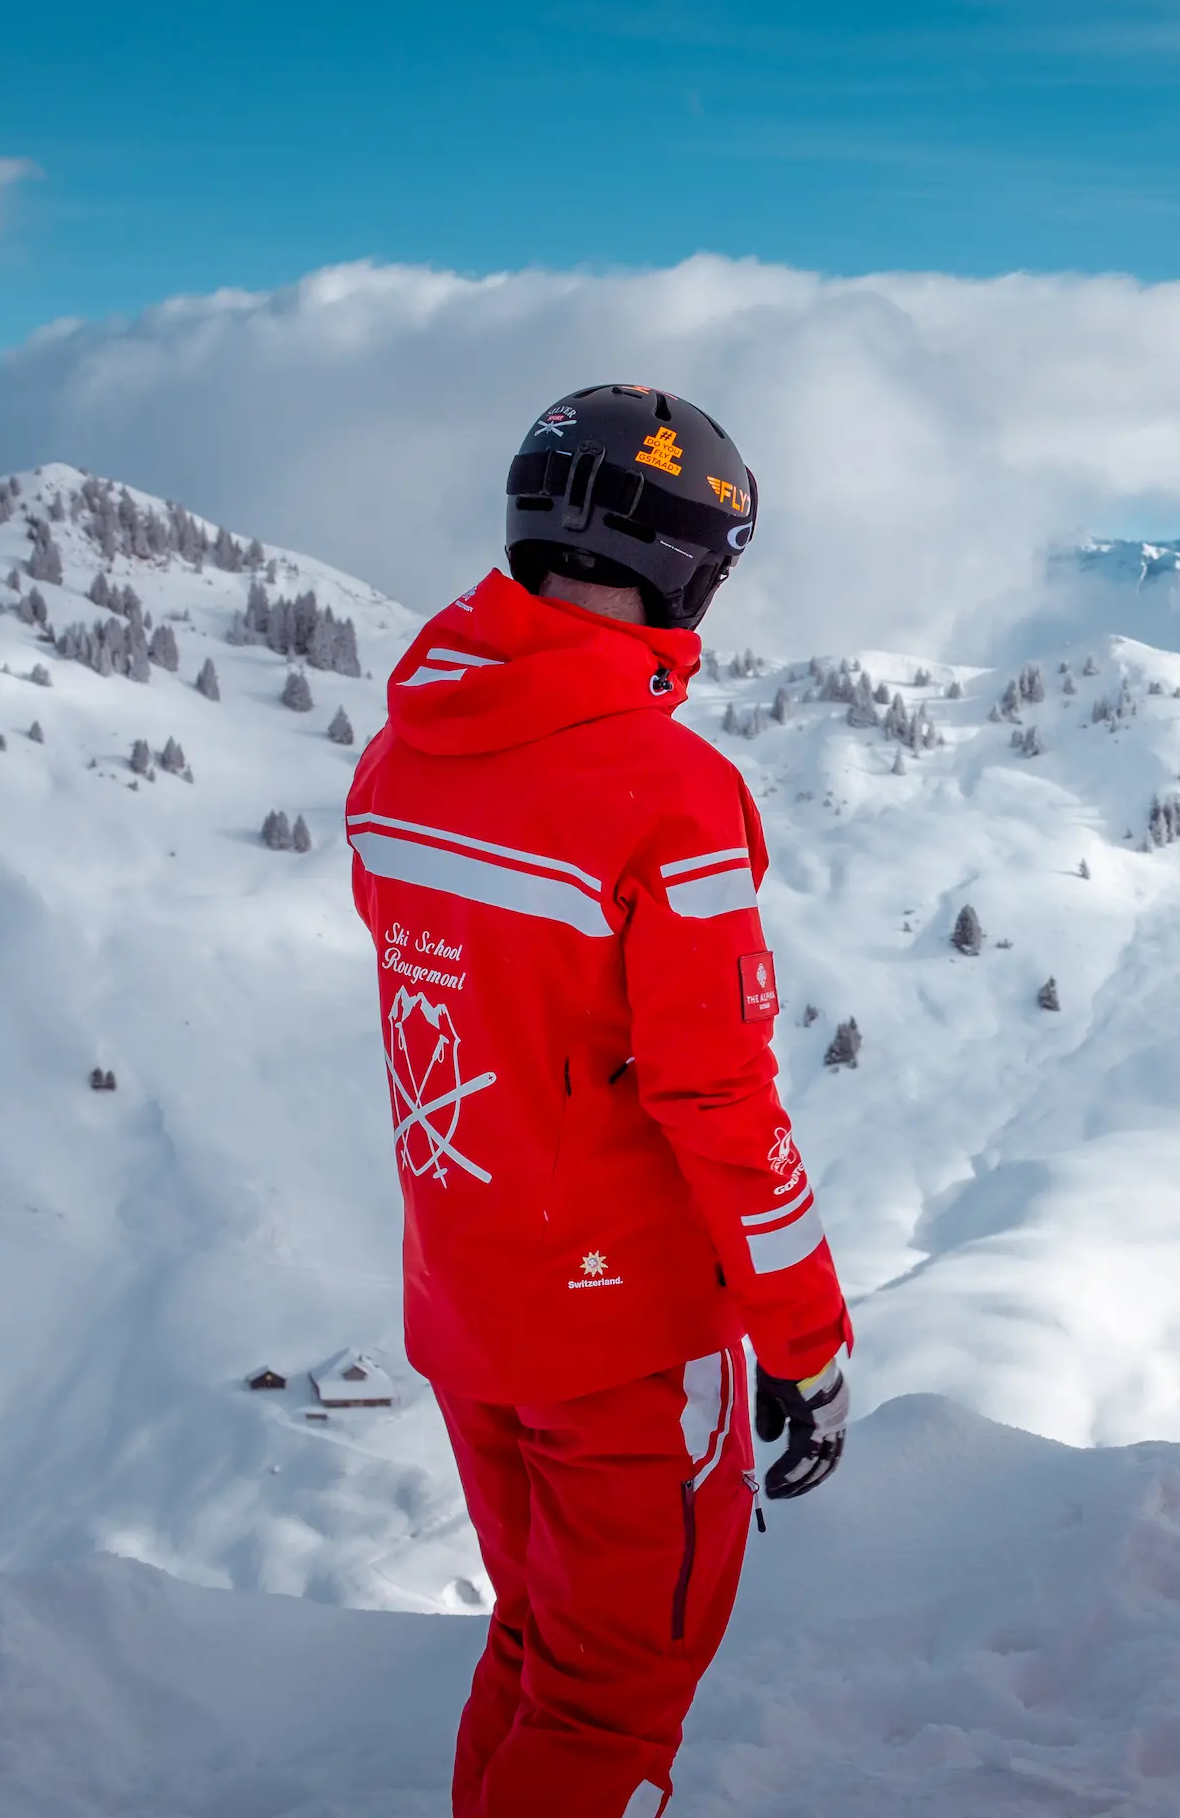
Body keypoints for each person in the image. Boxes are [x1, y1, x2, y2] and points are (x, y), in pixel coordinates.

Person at [346, 385, 853, 1818]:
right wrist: (805, 1334)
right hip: (624, 1339)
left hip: (469, 1306)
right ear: (692, 565)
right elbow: (719, 1099)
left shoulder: (406, 755)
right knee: (611, 1698)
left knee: (537, 1639)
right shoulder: (669, 794)